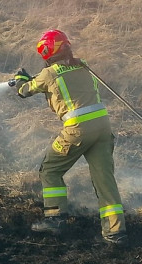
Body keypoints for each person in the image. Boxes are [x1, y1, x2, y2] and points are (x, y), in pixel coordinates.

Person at [13, 29, 125, 244]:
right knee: (105, 180)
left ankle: (55, 219)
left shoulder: (49, 73)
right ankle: (115, 232)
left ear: (49, 51)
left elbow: (25, 91)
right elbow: (58, 79)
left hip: (77, 129)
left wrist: (20, 81)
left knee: (50, 169)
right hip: (102, 127)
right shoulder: (83, 65)